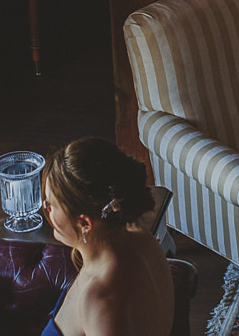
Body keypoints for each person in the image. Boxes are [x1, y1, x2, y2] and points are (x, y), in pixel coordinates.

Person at [40, 137, 175, 336]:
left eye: (51, 204)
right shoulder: (143, 239)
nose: (45, 208)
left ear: (85, 223)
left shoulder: (101, 300)